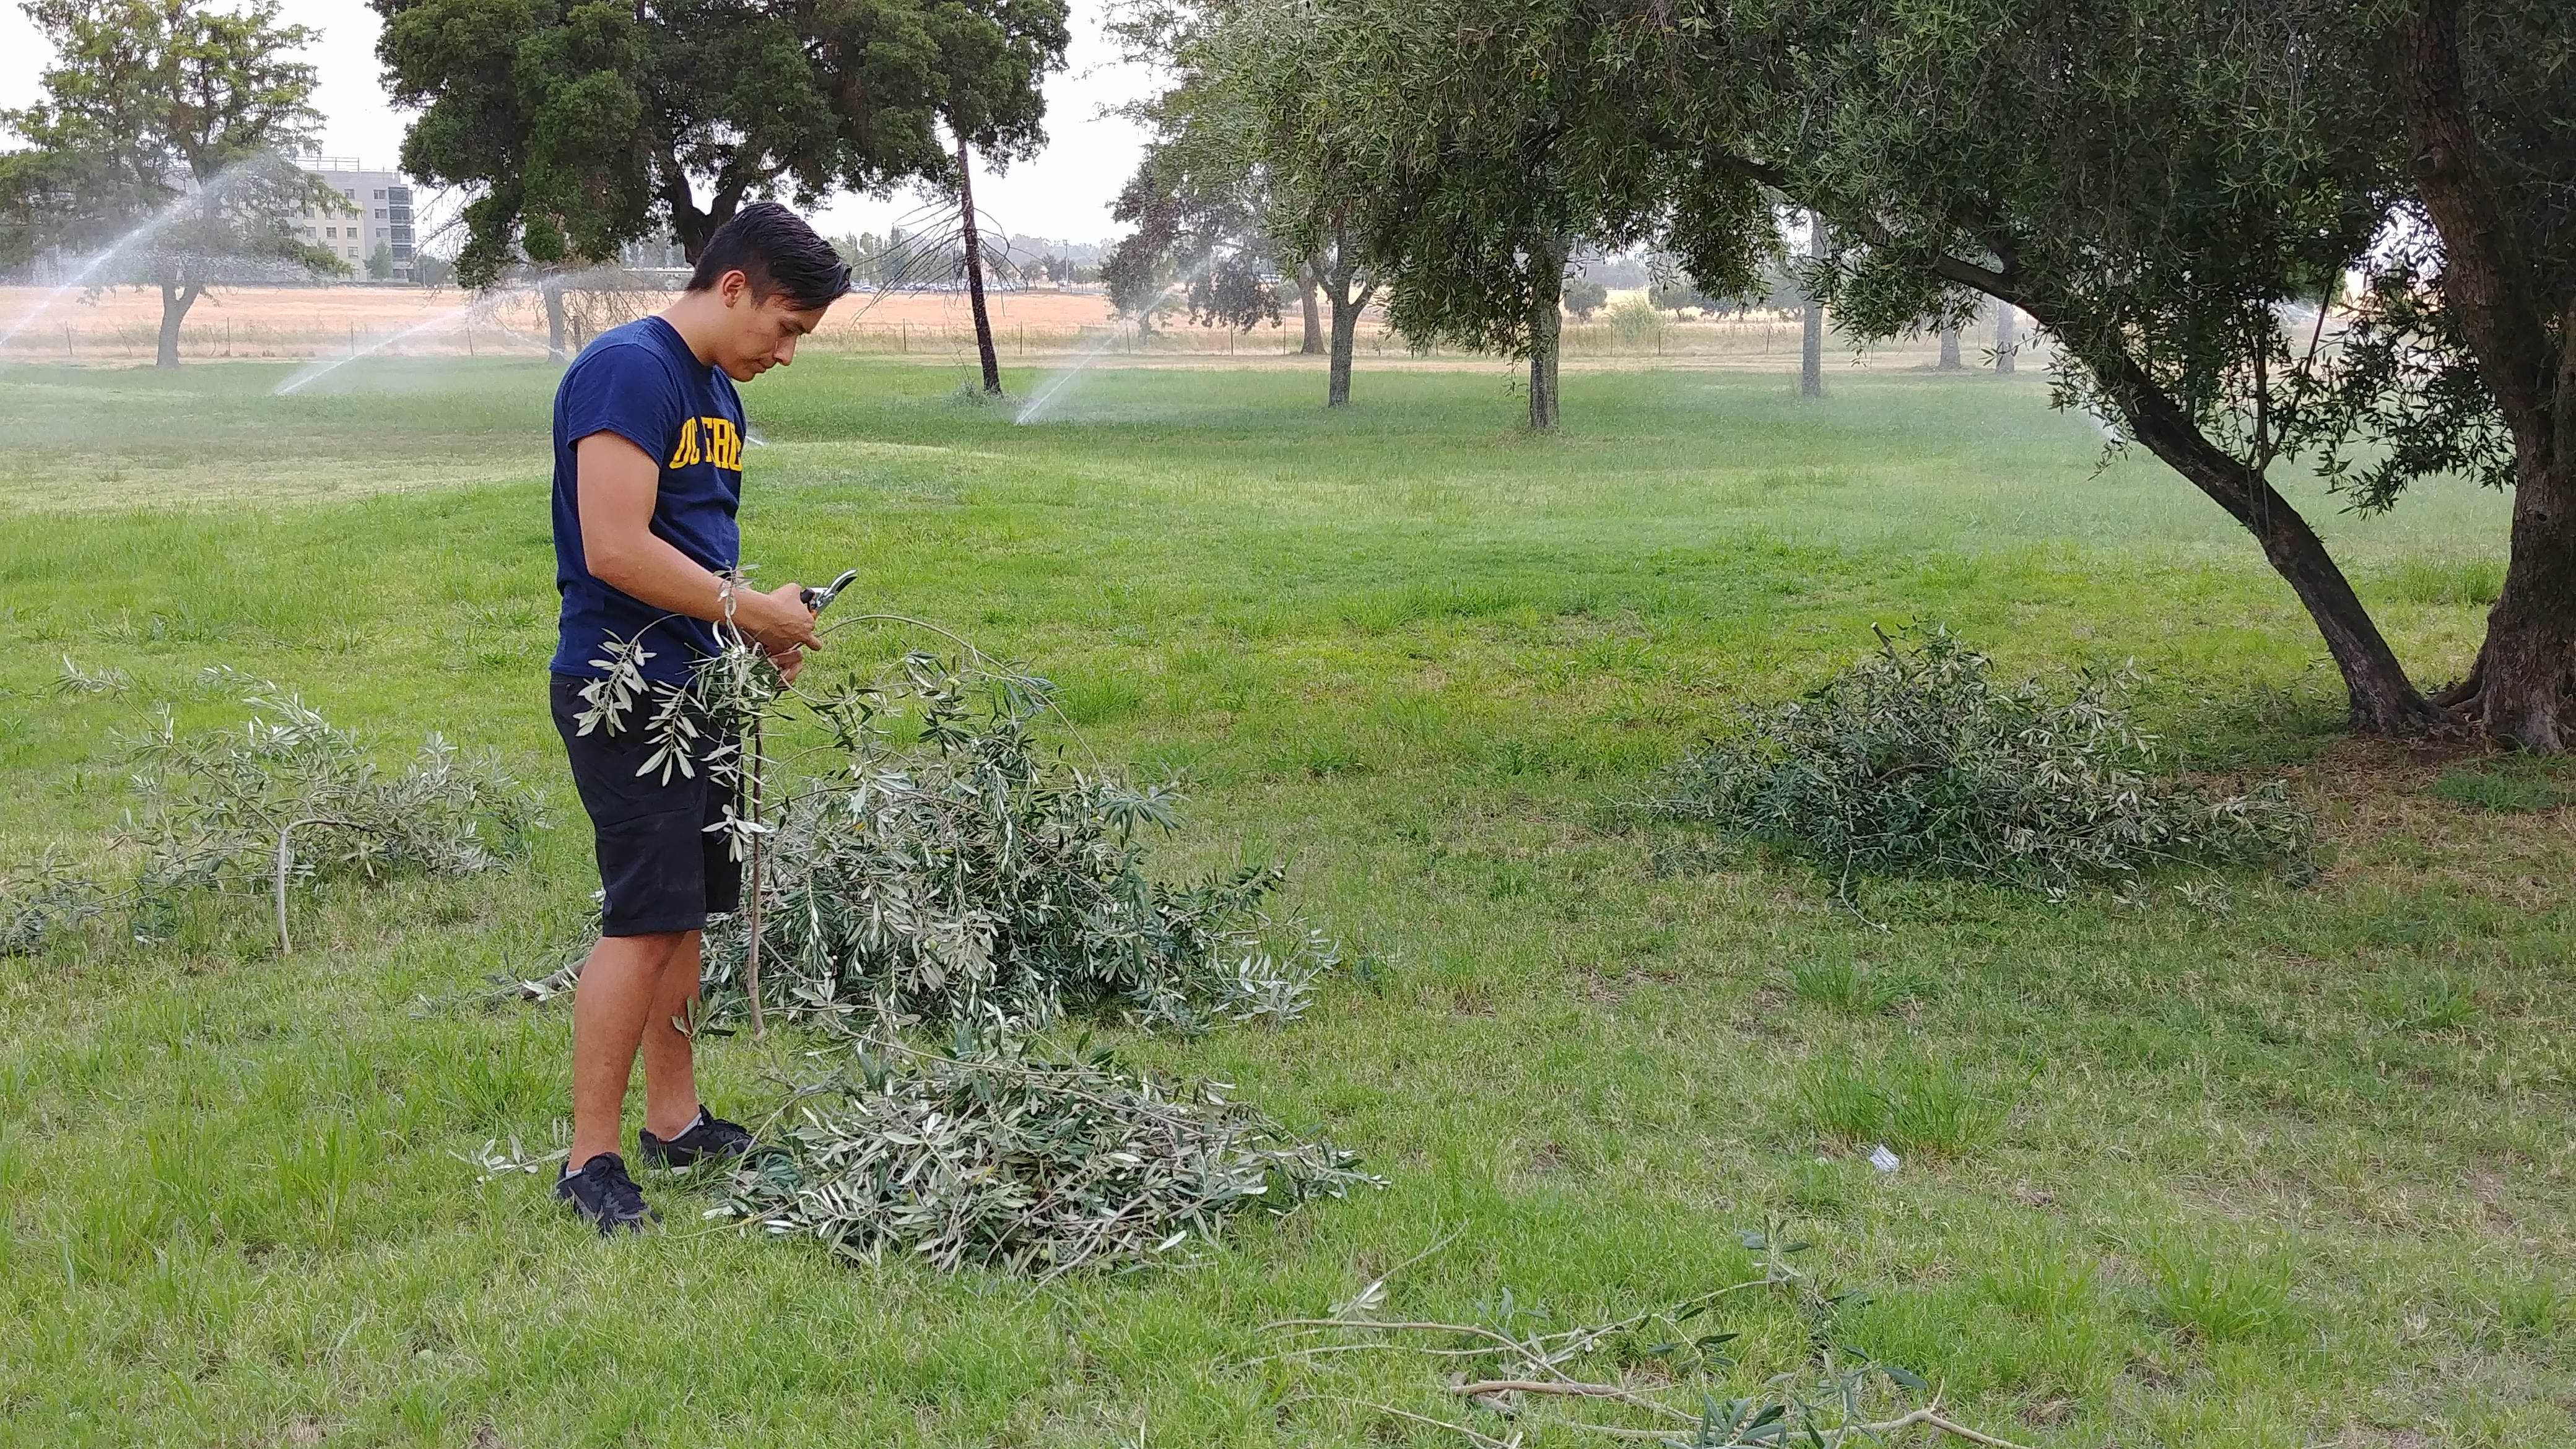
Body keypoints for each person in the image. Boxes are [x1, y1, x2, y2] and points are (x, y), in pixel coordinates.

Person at [545, 202, 846, 1233]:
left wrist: (759, 621)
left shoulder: (717, 389)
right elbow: (614, 548)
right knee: (643, 918)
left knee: (688, 916)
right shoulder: (631, 369)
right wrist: (744, 610)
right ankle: (590, 1160)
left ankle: (674, 1121)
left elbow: (692, 552)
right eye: (788, 325)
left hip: (696, 683)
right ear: (734, 288)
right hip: (626, 688)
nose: (789, 352)